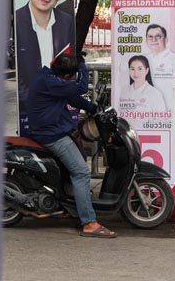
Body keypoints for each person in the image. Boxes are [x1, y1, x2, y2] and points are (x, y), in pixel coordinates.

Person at [27, 53, 116, 239]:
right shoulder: (51, 82)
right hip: (52, 135)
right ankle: (89, 223)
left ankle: (69, 204)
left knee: (78, 161)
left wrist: (92, 107)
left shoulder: (50, 79)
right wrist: (82, 65)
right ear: (67, 76)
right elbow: (81, 88)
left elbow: (73, 98)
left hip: (54, 131)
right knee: (82, 172)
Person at [15, 0, 74, 98]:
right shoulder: (16, 21)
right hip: (30, 107)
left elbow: (70, 65)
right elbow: (18, 79)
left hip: (59, 104)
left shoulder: (66, 21)